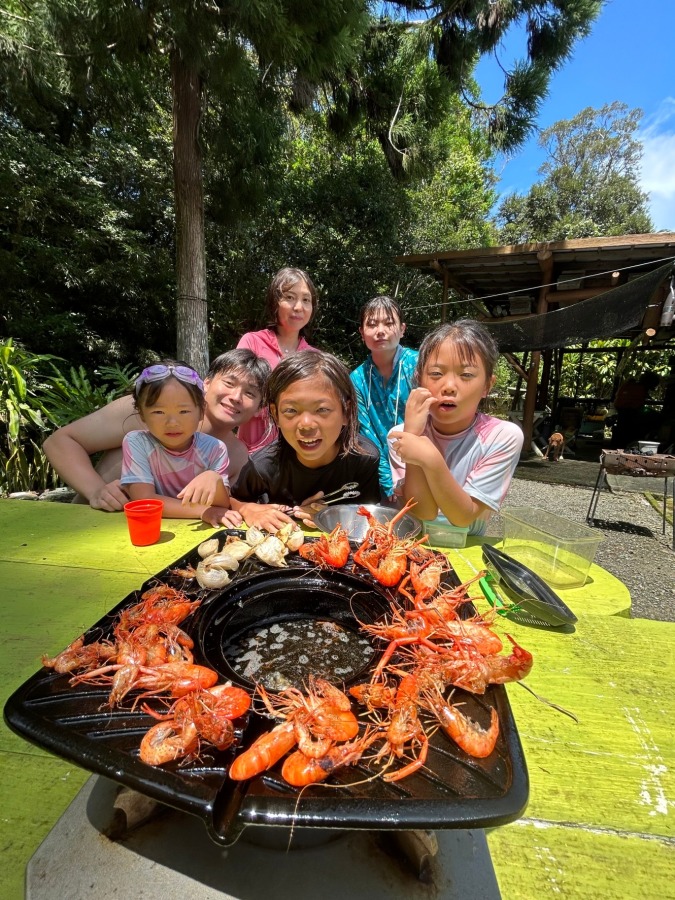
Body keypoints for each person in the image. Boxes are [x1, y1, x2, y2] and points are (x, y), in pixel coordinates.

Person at [43, 349, 270, 513]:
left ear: (260, 407)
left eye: (250, 393)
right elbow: (61, 441)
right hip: (95, 520)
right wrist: (96, 491)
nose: (236, 397)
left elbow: (221, 505)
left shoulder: (237, 455)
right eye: (229, 383)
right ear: (206, 383)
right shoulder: (148, 411)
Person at [388, 319, 523, 535]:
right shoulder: (400, 435)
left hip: (468, 549)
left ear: (487, 385)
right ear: (419, 379)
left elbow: (463, 517)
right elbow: (423, 511)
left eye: (466, 375)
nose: (449, 386)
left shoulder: (502, 437)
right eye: (436, 374)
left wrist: (430, 459)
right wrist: (413, 435)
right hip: (414, 545)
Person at [228, 350, 380, 532]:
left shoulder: (364, 459)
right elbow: (233, 499)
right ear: (276, 414)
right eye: (291, 410)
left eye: (322, 409)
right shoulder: (263, 466)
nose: (306, 425)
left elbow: (370, 516)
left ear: (346, 412)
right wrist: (247, 509)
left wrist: (331, 515)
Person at [121, 362, 232, 520]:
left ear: (201, 411)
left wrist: (214, 478)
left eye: (184, 411)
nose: (172, 422)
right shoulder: (137, 442)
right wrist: (202, 511)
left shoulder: (215, 448)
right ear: (142, 414)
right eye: (158, 411)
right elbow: (144, 501)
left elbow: (222, 504)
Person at [236, 267, 320, 452]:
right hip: (252, 454)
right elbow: (239, 393)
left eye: (306, 300)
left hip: (297, 455)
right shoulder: (252, 342)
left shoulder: (315, 357)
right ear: (275, 302)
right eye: (290, 297)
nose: (298, 307)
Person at [350, 296, 418, 501]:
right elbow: (366, 434)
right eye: (372, 324)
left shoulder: (420, 366)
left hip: (422, 464)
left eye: (389, 323)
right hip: (381, 473)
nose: (380, 330)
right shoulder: (357, 378)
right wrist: (388, 483)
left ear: (402, 329)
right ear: (362, 333)